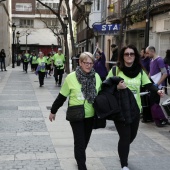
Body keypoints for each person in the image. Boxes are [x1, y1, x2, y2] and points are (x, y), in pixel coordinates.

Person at [107, 44, 164, 170]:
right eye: (126, 54)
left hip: (135, 109)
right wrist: (116, 87)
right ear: (122, 56)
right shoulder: (116, 70)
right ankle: (124, 164)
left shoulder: (140, 71)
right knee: (125, 136)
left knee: (131, 136)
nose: (129, 56)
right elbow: (106, 86)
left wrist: (158, 91)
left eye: (131, 54)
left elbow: (148, 84)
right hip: (120, 109)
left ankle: (122, 150)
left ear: (135, 56)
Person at [49, 52, 101, 170]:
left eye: (91, 63)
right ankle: (82, 166)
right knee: (80, 141)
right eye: (85, 63)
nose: (88, 65)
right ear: (80, 63)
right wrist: (53, 110)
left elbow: (101, 94)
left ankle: (79, 157)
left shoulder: (96, 77)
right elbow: (62, 96)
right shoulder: (71, 77)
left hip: (90, 115)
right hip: (76, 115)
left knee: (84, 141)